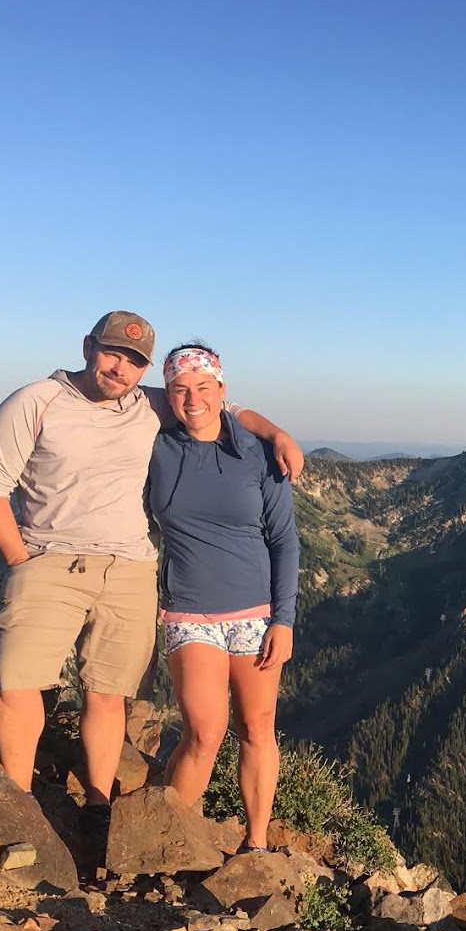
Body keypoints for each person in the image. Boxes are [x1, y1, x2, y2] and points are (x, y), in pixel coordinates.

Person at [0, 311, 303, 837]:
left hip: (146, 575)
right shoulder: (47, 403)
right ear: (87, 348)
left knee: (112, 695)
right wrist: (19, 559)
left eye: (134, 360)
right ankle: (24, 812)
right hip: (64, 565)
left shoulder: (179, 419)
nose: (121, 367)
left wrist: (276, 430)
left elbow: (219, 408)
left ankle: (109, 812)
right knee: (19, 684)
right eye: (111, 352)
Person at [148, 343, 298, 853]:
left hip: (257, 612)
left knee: (258, 728)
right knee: (204, 733)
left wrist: (286, 619)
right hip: (189, 610)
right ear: (167, 394)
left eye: (203, 388)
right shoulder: (154, 444)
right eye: (180, 390)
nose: (192, 399)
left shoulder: (258, 454)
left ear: (222, 391)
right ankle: (158, 841)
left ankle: (255, 846)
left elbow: (284, 539)